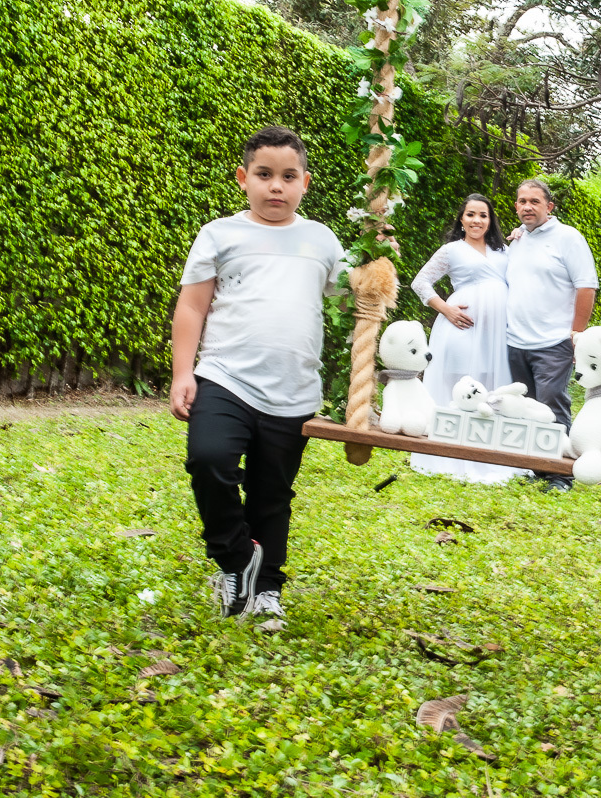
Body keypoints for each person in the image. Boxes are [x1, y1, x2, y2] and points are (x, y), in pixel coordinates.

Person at [170, 125, 350, 624]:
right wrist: (183, 373)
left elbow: (352, 297)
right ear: (242, 178)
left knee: (272, 494)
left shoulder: (321, 239)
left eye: (288, 177)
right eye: (264, 174)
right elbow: (192, 306)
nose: (276, 186)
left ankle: (266, 588)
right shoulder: (220, 234)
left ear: (305, 183)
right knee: (208, 460)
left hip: (294, 389)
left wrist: (377, 259)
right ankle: (236, 559)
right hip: (224, 377)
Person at [409, 194, 529, 484]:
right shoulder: (452, 250)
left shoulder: (503, 251)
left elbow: (529, 248)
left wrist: (520, 233)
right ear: (461, 220)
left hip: (497, 332)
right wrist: (445, 308)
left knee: (491, 384)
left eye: (483, 215)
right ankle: (450, 450)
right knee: (459, 384)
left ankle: (487, 451)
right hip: (462, 328)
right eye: (471, 215)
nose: (477, 220)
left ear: (490, 220)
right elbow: (420, 282)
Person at [505, 178, 599, 491]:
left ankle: (561, 474)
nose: (527, 207)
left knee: (551, 406)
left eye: (534, 201)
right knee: (526, 406)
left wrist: (577, 333)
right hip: (516, 341)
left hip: (553, 342)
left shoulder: (568, 238)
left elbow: (586, 286)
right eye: (522, 201)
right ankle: (538, 467)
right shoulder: (517, 241)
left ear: (549, 206)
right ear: (516, 206)